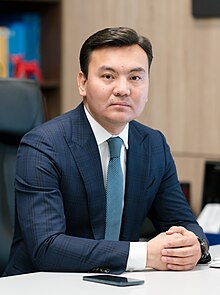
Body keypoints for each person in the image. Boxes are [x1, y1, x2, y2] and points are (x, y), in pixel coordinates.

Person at [3, 27, 211, 277]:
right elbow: (47, 247)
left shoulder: (153, 144)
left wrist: (194, 246)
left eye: (135, 78)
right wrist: (145, 254)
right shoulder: (43, 145)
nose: (123, 89)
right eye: (108, 76)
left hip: (117, 282)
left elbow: (184, 223)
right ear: (82, 82)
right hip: (41, 284)